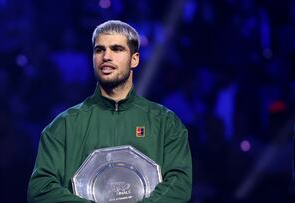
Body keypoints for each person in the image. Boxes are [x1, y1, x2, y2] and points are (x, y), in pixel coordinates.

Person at [27, 20, 192, 203]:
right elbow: (40, 189)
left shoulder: (165, 123)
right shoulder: (63, 126)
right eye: (99, 50)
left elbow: (179, 184)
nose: (106, 56)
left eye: (116, 49)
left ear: (134, 59)